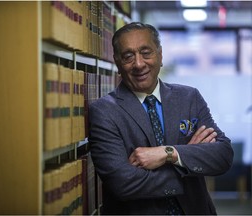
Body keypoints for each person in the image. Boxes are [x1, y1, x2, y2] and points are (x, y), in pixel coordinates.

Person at [88, 22, 234, 215]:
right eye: (128, 56)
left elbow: (223, 155)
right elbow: (123, 184)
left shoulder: (189, 98)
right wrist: (188, 161)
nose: (139, 64)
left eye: (146, 52)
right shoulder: (104, 111)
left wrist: (169, 153)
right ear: (117, 62)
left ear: (160, 55)